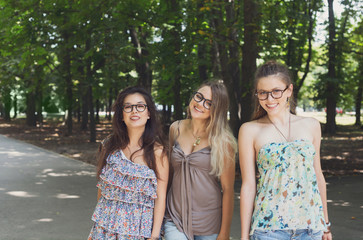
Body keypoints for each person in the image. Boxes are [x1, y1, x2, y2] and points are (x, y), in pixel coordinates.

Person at [238, 60, 332, 240]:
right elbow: (248, 185)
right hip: (268, 229)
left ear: (289, 90)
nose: (270, 99)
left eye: (276, 91)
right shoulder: (249, 130)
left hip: (310, 227)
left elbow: (317, 175)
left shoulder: (311, 125)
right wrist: (244, 236)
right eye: (263, 93)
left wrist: (325, 225)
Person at [88, 86, 169, 240]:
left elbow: (160, 197)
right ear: (121, 115)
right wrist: (94, 231)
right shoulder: (108, 146)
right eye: (128, 107)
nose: (134, 111)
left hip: (138, 231)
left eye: (140, 106)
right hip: (105, 229)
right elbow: (103, 192)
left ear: (149, 113)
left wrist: (154, 235)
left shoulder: (158, 152)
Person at [164, 81, 237, 240]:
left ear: (217, 110)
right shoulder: (175, 128)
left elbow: (228, 189)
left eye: (209, 103)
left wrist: (224, 232)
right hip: (175, 215)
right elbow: (169, 173)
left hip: (209, 221)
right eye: (199, 97)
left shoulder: (224, 141)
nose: (200, 104)